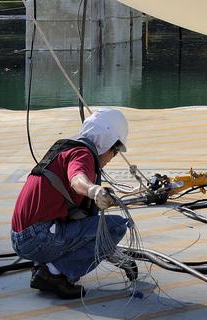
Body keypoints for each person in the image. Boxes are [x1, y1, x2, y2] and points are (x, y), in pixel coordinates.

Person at [11, 107, 136, 299]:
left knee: (90, 223)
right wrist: (93, 190)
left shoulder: (67, 149)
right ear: (106, 143)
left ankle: (45, 265)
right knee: (117, 226)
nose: (113, 157)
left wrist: (119, 258)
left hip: (23, 235)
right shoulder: (82, 155)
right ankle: (53, 273)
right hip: (38, 236)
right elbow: (77, 179)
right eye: (115, 150)